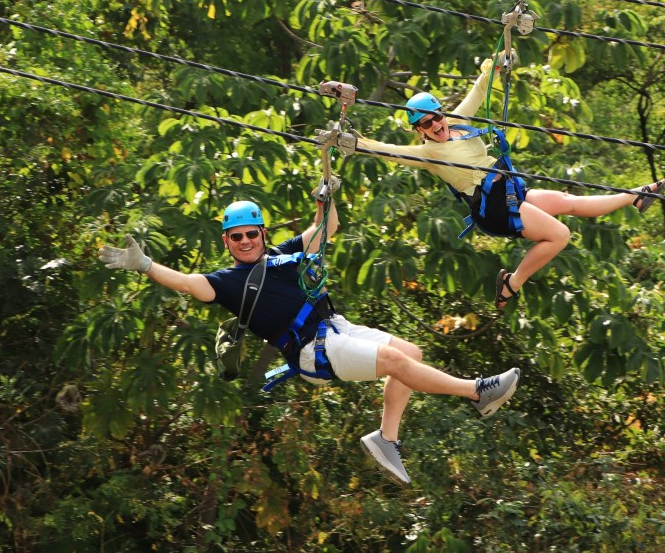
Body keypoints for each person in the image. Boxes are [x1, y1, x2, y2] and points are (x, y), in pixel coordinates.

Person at [98, 195, 520, 484]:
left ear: (262, 234)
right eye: (236, 236)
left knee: (411, 353)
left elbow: (327, 227)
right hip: (309, 351)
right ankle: (476, 392)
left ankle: (386, 438)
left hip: (336, 327)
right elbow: (188, 283)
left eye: (251, 234)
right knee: (393, 360)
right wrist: (145, 265)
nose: (245, 241)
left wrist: (326, 192)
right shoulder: (226, 283)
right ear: (226, 242)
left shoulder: (282, 258)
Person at [353, 54, 665, 310]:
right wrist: (355, 142)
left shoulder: (459, 124)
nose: (436, 125)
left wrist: (496, 63)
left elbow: (477, 92)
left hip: (507, 189)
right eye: (427, 123)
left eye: (437, 116)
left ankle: (636, 196)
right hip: (492, 205)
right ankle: (512, 283)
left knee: (570, 203)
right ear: (419, 130)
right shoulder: (427, 154)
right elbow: (390, 152)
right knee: (560, 235)